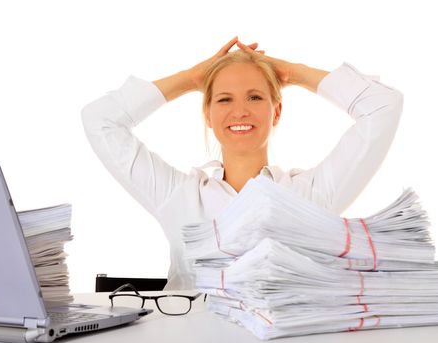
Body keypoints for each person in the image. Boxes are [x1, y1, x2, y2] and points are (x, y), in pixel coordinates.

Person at [81, 36, 403, 290]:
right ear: (207, 114)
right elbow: (100, 120)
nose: (240, 112)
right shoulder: (177, 195)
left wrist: (293, 72)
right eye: (224, 99)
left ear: (276, 112)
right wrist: (190, 79)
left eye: (255, 97)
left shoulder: (310, 195)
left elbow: (382, 106)